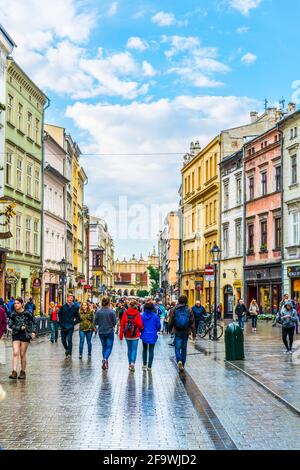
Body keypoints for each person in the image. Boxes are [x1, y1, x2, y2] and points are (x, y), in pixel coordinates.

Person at [8, 297, 37, 379]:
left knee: (22, 354)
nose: (16, 305)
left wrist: (34, 332)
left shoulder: (27, 313)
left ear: (22, 304)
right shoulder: (13, 314)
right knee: (15, 352)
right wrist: (19, 327)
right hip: (16, 334)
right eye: (15, 303)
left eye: (17, 303)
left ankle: (23, 372)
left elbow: (35, 322)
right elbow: (10, 325)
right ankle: (14, 372)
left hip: (25, 335)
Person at [168, 295, 196, 372]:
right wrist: (194, 334)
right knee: (184, 348)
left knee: (177, 347)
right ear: (186, 301)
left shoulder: (174, 309)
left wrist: (170, 329)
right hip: (186, 331)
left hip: (177, 331)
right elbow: (192, 322)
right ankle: (182, 364)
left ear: (179, 301)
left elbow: (171, 320)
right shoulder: (189, 309)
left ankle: (179, 360)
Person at [119, 299, 143, 372]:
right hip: (135, 334)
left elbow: (122, 324)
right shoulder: (137, 313)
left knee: (129, 349)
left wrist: (121, 335)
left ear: (129, 305)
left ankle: (129, 364)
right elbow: (140, 324)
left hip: (127, 334)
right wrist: (141, 329)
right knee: (134, 349)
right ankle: (132, 363)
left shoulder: (125, 313)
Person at [94, 296, 117, 370]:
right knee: (109, 347)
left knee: (104, 347)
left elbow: (96, 322)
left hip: (101, 331)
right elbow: (115, 322)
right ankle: (105, 359)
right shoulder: (111, 311)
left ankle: (105, 362)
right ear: (109, 302)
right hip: (109, 331)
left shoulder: (98, 312)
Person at [140, 302, 161, 371]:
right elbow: (158, 326)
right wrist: (156, 330)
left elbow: (140, 325)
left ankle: (144, 364)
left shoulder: (142, 316)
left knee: (145, 349)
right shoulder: (155, 316)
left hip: (144, 334)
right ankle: (149, 366)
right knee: (151, 350)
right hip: (152, 335)